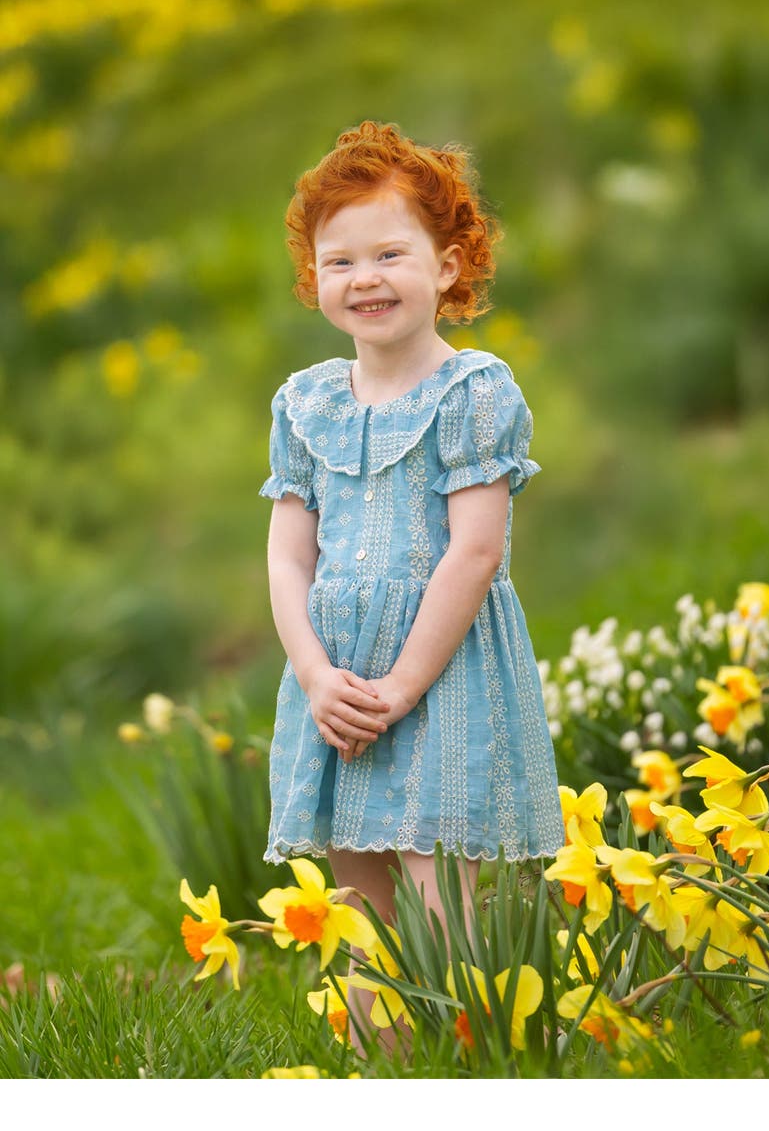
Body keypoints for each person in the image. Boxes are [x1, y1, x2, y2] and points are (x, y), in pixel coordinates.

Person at [259, 119, 564, 1028]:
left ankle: (462, 1058)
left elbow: (475, 552)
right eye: (340, 261)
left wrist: (402, 683)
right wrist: (318, 673)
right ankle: (375, 1067)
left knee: (439, 893)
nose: (365, 278)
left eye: (391, 252)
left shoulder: (473, 392)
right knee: (359, 900)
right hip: (341, 678)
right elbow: (287, 551)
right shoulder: (305, 401)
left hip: (442, 673)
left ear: (448, 265)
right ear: (316, 279)